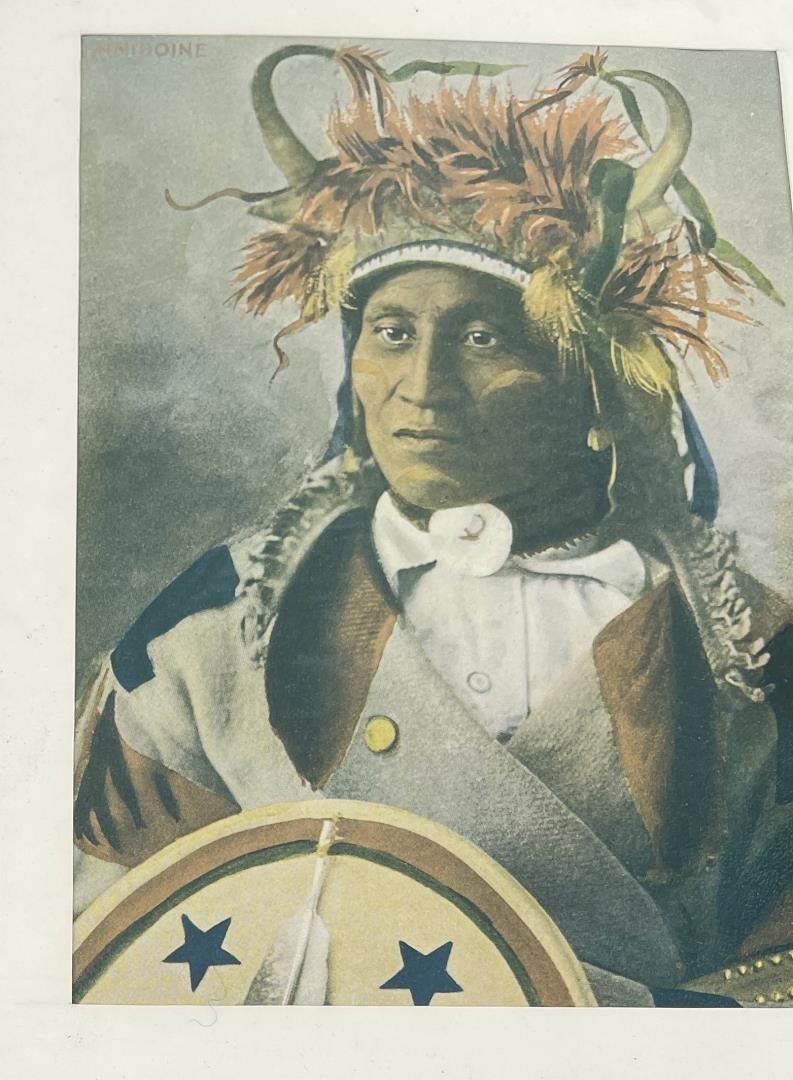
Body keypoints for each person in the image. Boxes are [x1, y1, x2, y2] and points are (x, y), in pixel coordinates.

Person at [73, 44, 793, 1005]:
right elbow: (103, 943)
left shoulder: (746, 652)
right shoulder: (211, 633)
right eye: (392, 333)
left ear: (592, 392)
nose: (421, 386)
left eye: (484, 337)